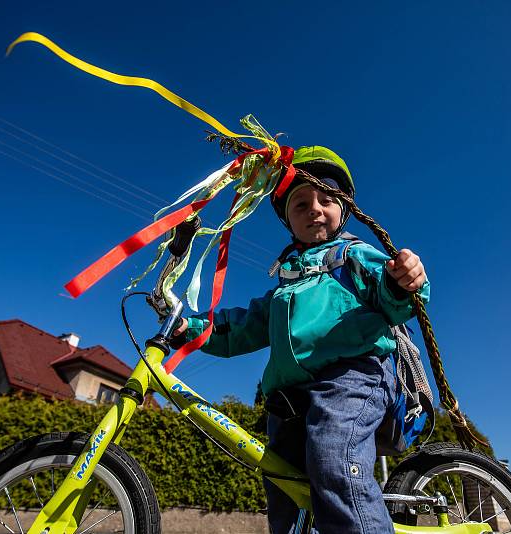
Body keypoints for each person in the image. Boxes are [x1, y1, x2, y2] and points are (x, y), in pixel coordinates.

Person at [171, 146, 429, 533]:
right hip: (289, 400)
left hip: (351, 377)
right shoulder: (285, 283)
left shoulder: (354, 255)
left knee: (334, 460)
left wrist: (403, 280)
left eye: (326, 200)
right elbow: (241, 327)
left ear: (345, 209)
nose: (314, 209)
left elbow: (393, 296)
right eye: (301, 204)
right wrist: (190, 329)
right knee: (284, 488)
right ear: (288, 221)